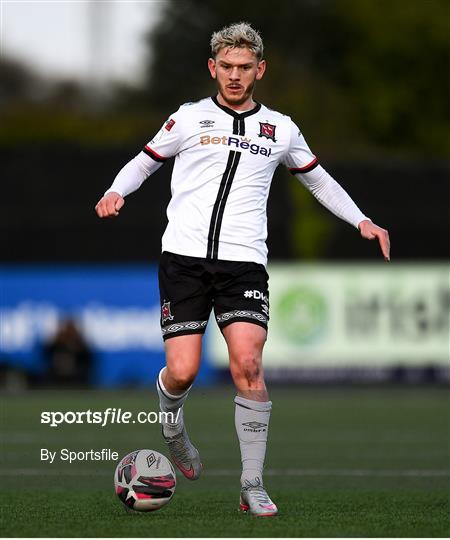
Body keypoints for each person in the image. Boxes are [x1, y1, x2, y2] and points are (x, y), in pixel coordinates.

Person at [95, 22, 390, 516]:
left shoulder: (281, 128)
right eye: (226, 67)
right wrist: (115, 190)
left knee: (248, 365)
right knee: (184, 371)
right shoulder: (187, 119)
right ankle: (173, 425)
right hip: (184, 260)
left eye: (244, 68)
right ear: (213, 68)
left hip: (244, 264)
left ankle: (252, 484)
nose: (235, 76)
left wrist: (361, 219)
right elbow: (144, 162)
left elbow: (319, 181)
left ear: (260, 70)